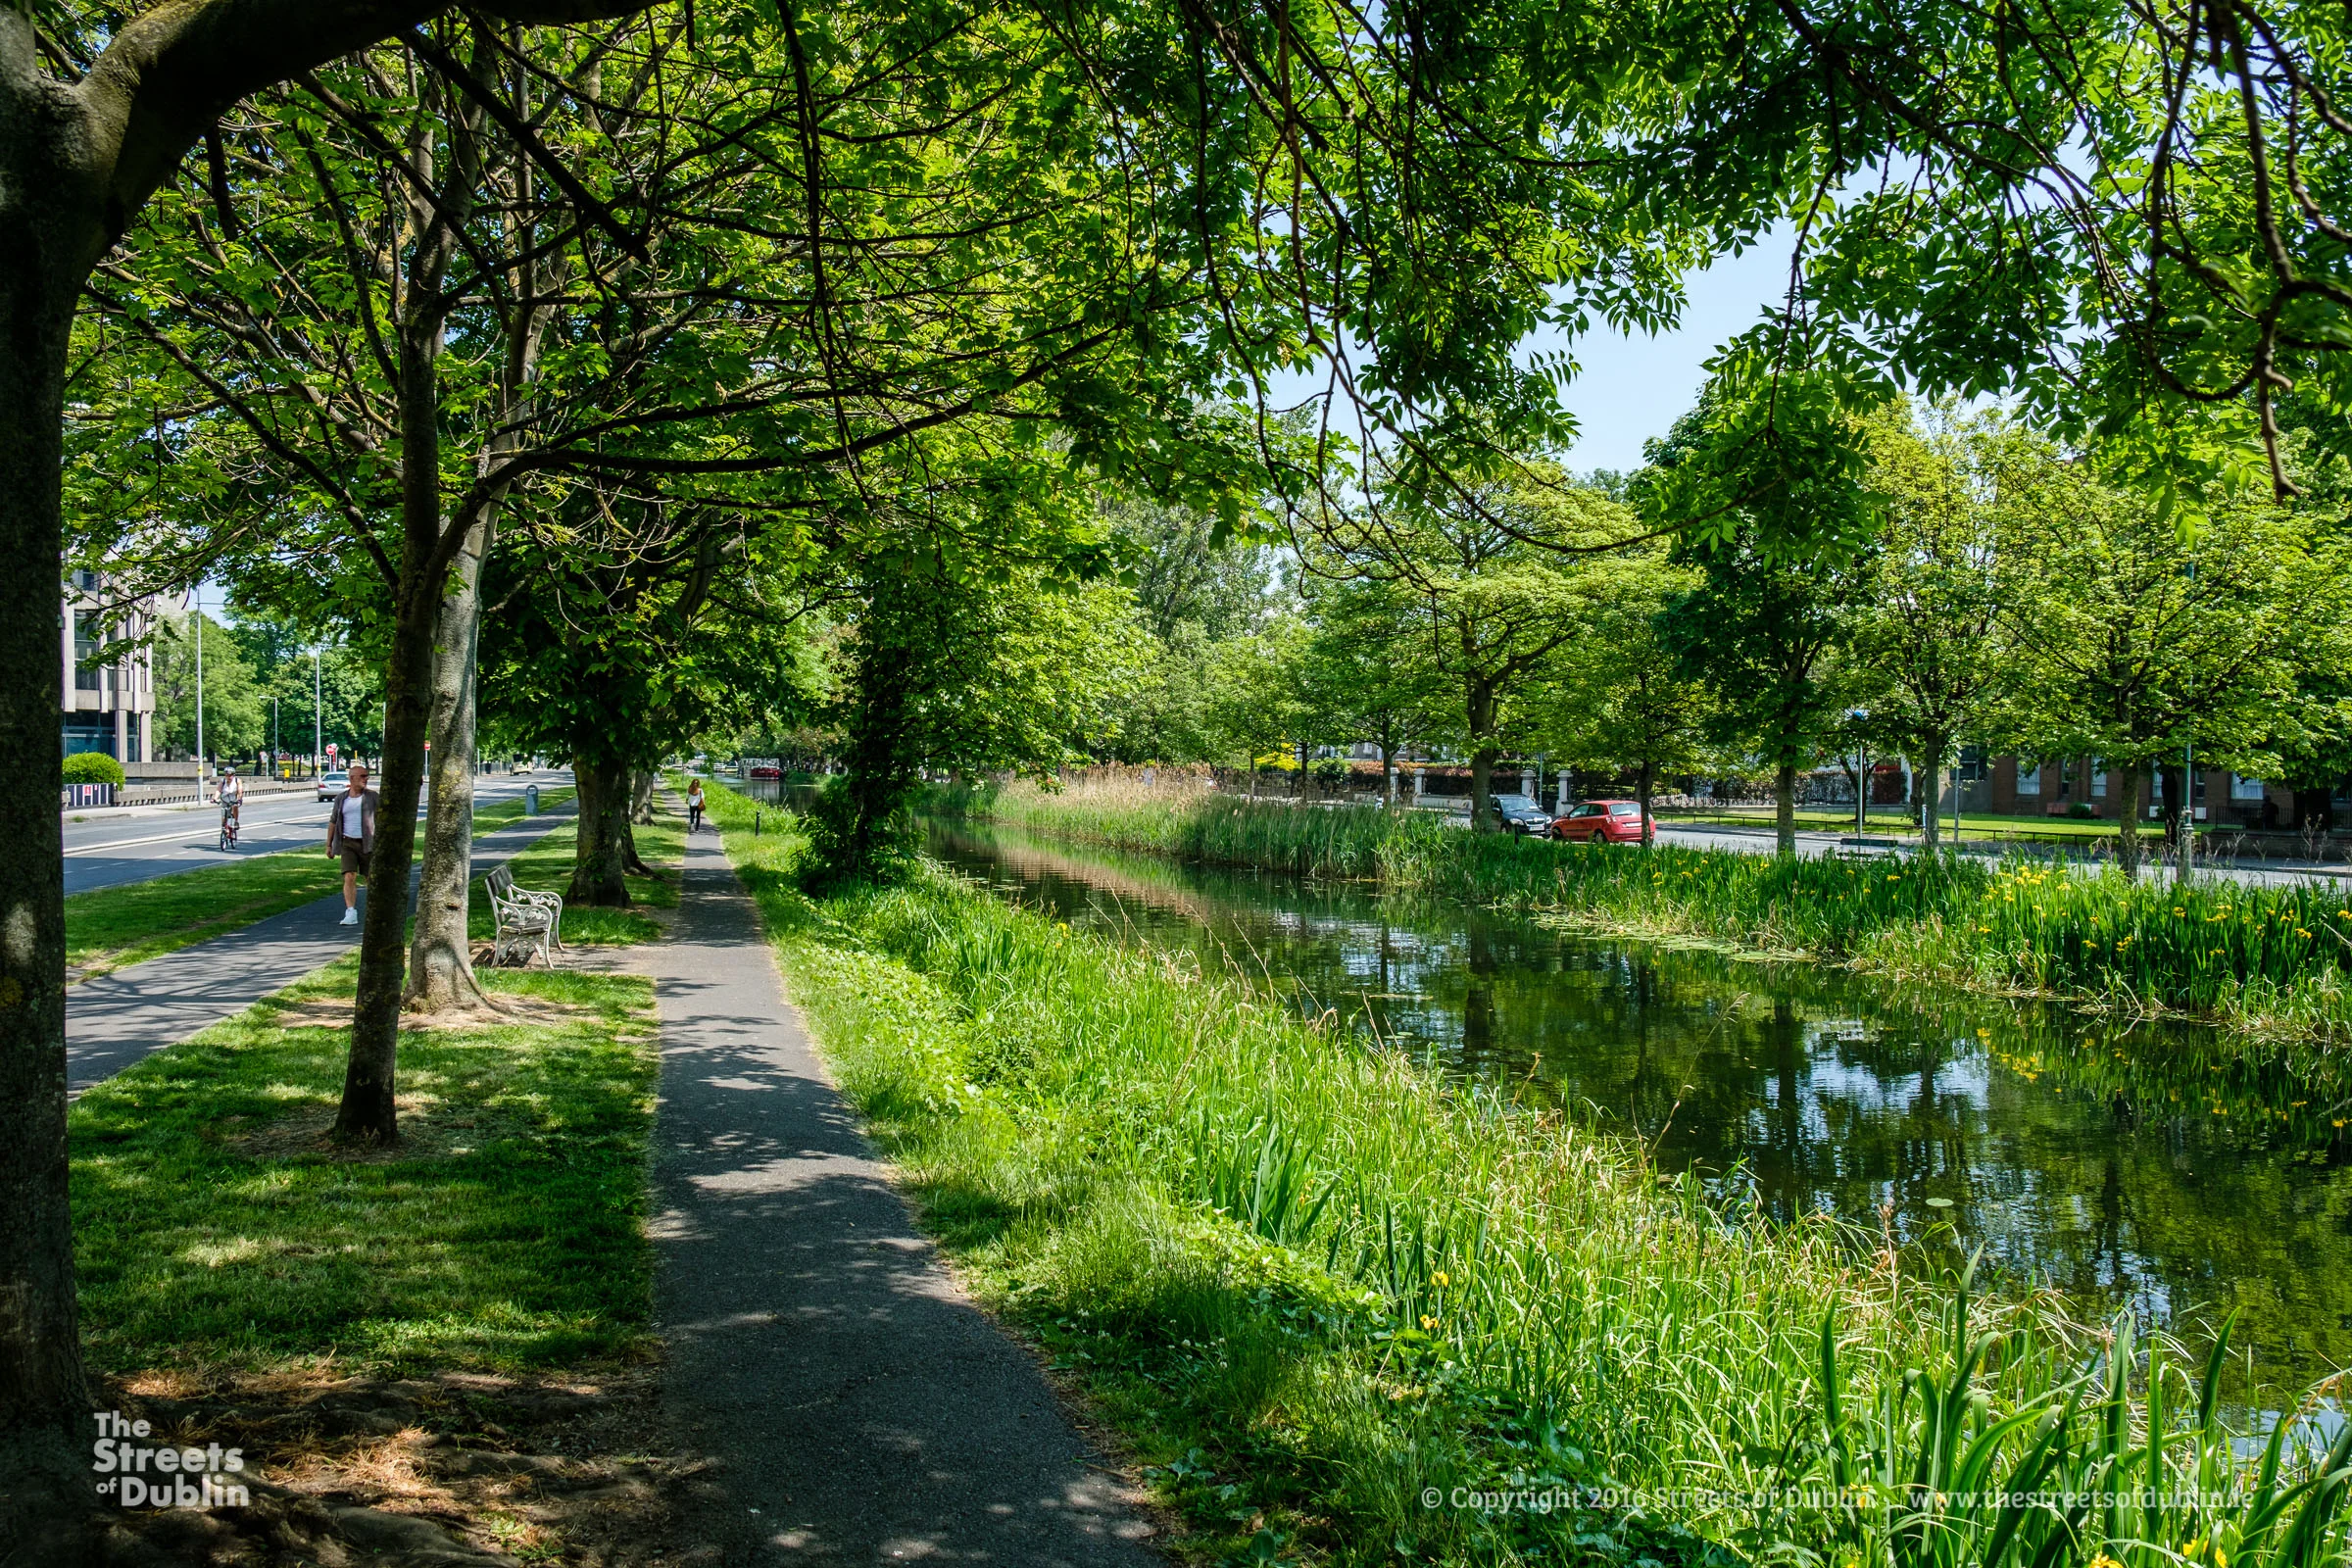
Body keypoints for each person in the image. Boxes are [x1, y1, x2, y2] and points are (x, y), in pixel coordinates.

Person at [326, 763, 379, 927]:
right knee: (349, 875)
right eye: (362, 776)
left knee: (371, 877)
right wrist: (329, 844)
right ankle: (350, 912)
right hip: (347, 842)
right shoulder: (342, 799)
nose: (366, 779)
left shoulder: (372, 797)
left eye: (366, 776)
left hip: (368, 843)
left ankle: (375, 910)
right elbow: (333, 821)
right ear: (352, 778)